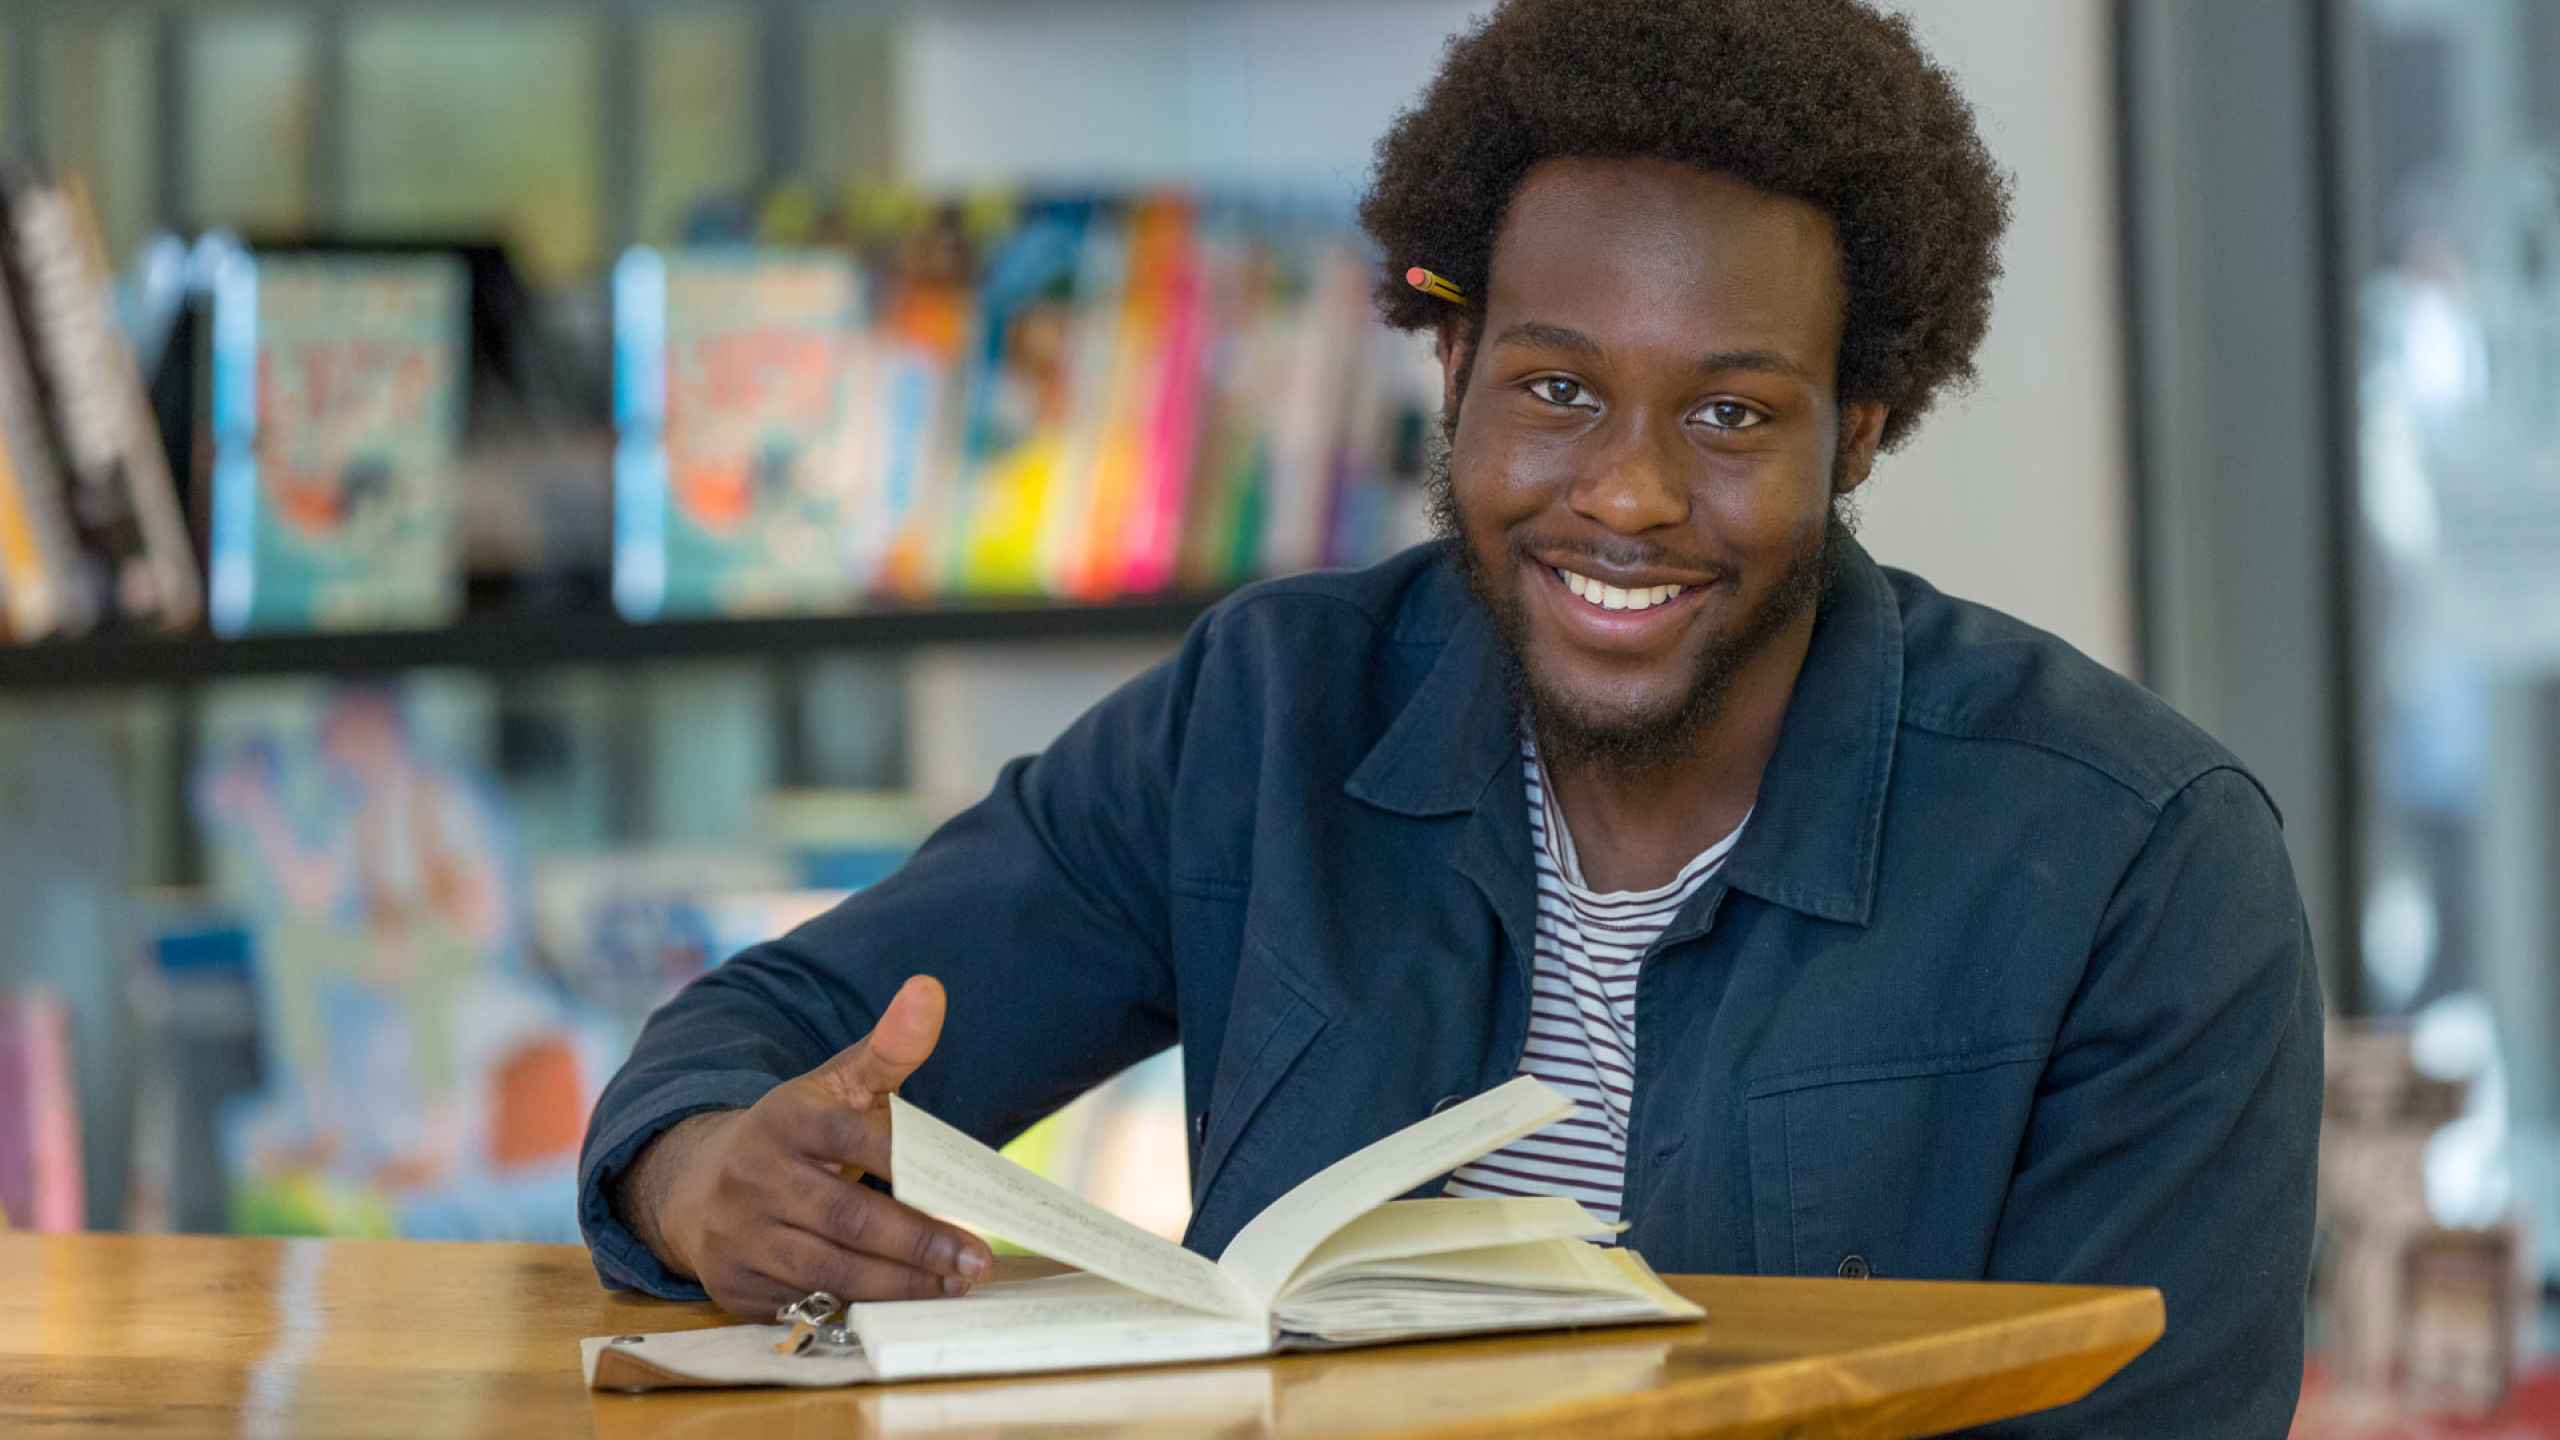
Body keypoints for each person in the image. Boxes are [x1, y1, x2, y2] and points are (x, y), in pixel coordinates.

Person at [580, 0, 2322, 1430]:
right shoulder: (1263, 718)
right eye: (1557, 389)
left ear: (1861, 429)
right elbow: (773, 1033)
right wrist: (710, 1175)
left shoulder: (2135, 867)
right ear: (1456, 368)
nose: (1626, 496)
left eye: (1731, 415)